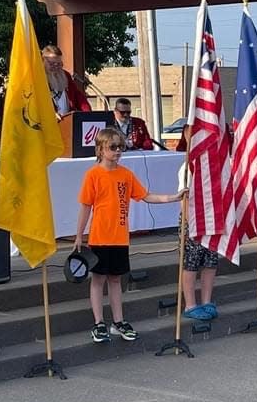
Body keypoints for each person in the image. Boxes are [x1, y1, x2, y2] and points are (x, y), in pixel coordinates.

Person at [74, 128, 184, 343]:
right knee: (98, 280)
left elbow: (146, 196)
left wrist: (173, 197)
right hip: (99, 237)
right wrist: (79, 235)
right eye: (113, 147)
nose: (117, 152)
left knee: (115, 280)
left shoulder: (125, 174)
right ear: (101, 149)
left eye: (120, 147)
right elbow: (85, 207)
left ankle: (118, 321)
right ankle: (98, 322)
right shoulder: (93, 175)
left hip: (120, 237)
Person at [177, 127, 219, 320]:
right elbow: (184, 197)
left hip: (212, 217)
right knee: (191, 263)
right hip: (193, 218)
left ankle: (207, 300)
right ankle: (190, 304)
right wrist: (187, 225)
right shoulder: (188, 167)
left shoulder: (215, 164)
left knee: (210, 261)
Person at [42, 45, 92, 116]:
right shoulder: (39, 79)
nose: (56, 67)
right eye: (52, 64)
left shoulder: (66, 76)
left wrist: (88, 114)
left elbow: (78, 97)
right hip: (49, 122)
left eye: (59, 64)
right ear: (43, 61)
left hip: (68, 121)